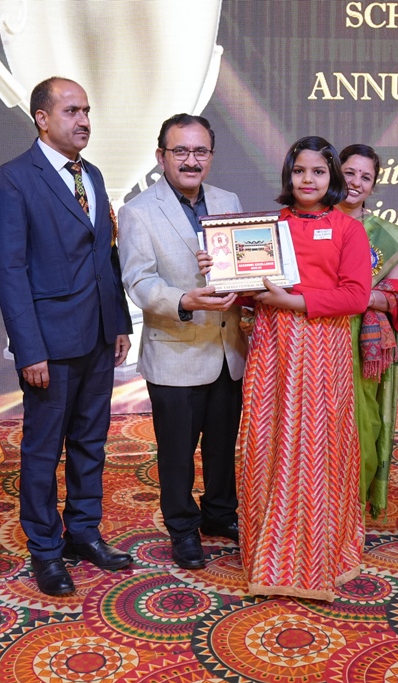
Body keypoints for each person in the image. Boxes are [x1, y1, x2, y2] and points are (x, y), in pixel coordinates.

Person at [0, 77, 133, 597]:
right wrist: (29, 349)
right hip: (48, 346)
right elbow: (9, 271)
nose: (84, 120)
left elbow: (106, 257)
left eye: (86, 110)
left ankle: (84, 534)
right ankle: (46, 550)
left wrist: (120, 321)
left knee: (91, 442)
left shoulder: (92, 174)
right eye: (72, 111)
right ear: (42, 118)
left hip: (98, 336)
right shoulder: (12, 180)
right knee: (43, 451)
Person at [238, 136, 373, 601]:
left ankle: (318, 554)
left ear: (331, 176)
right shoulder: (269, 224)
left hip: (322, 346)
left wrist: (291, 301)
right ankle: (269, 550)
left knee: (317, 443)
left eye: (318, 171)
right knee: (269, 438)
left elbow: (356, 296)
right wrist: (218, 268)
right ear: (288, 175)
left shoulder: (347, 229)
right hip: (272, 345)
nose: (308, 180)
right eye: (299, 171)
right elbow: (248, 286)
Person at [118, 114, 246, 570]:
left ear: (211, 155)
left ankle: (219, 513)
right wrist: (184, 300)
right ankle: (183, 528)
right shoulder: (138, 211)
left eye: (200, 152)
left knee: (222, 446)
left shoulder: (229, 201)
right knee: (177, 453)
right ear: (161, 156)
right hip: (175, 349)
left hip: (228, 351)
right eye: (181, 151)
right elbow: (138, 280)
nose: (191, 161)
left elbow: (244, 263)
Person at [338, 144, 398, 520]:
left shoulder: (386, 236)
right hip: (310, 337)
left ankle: (350, 515)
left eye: (366, 177)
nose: (355, 182)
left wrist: (354, 298)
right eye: (349, 172)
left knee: (362, 425)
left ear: (374, 186)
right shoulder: (309, 222)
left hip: (361, 346)